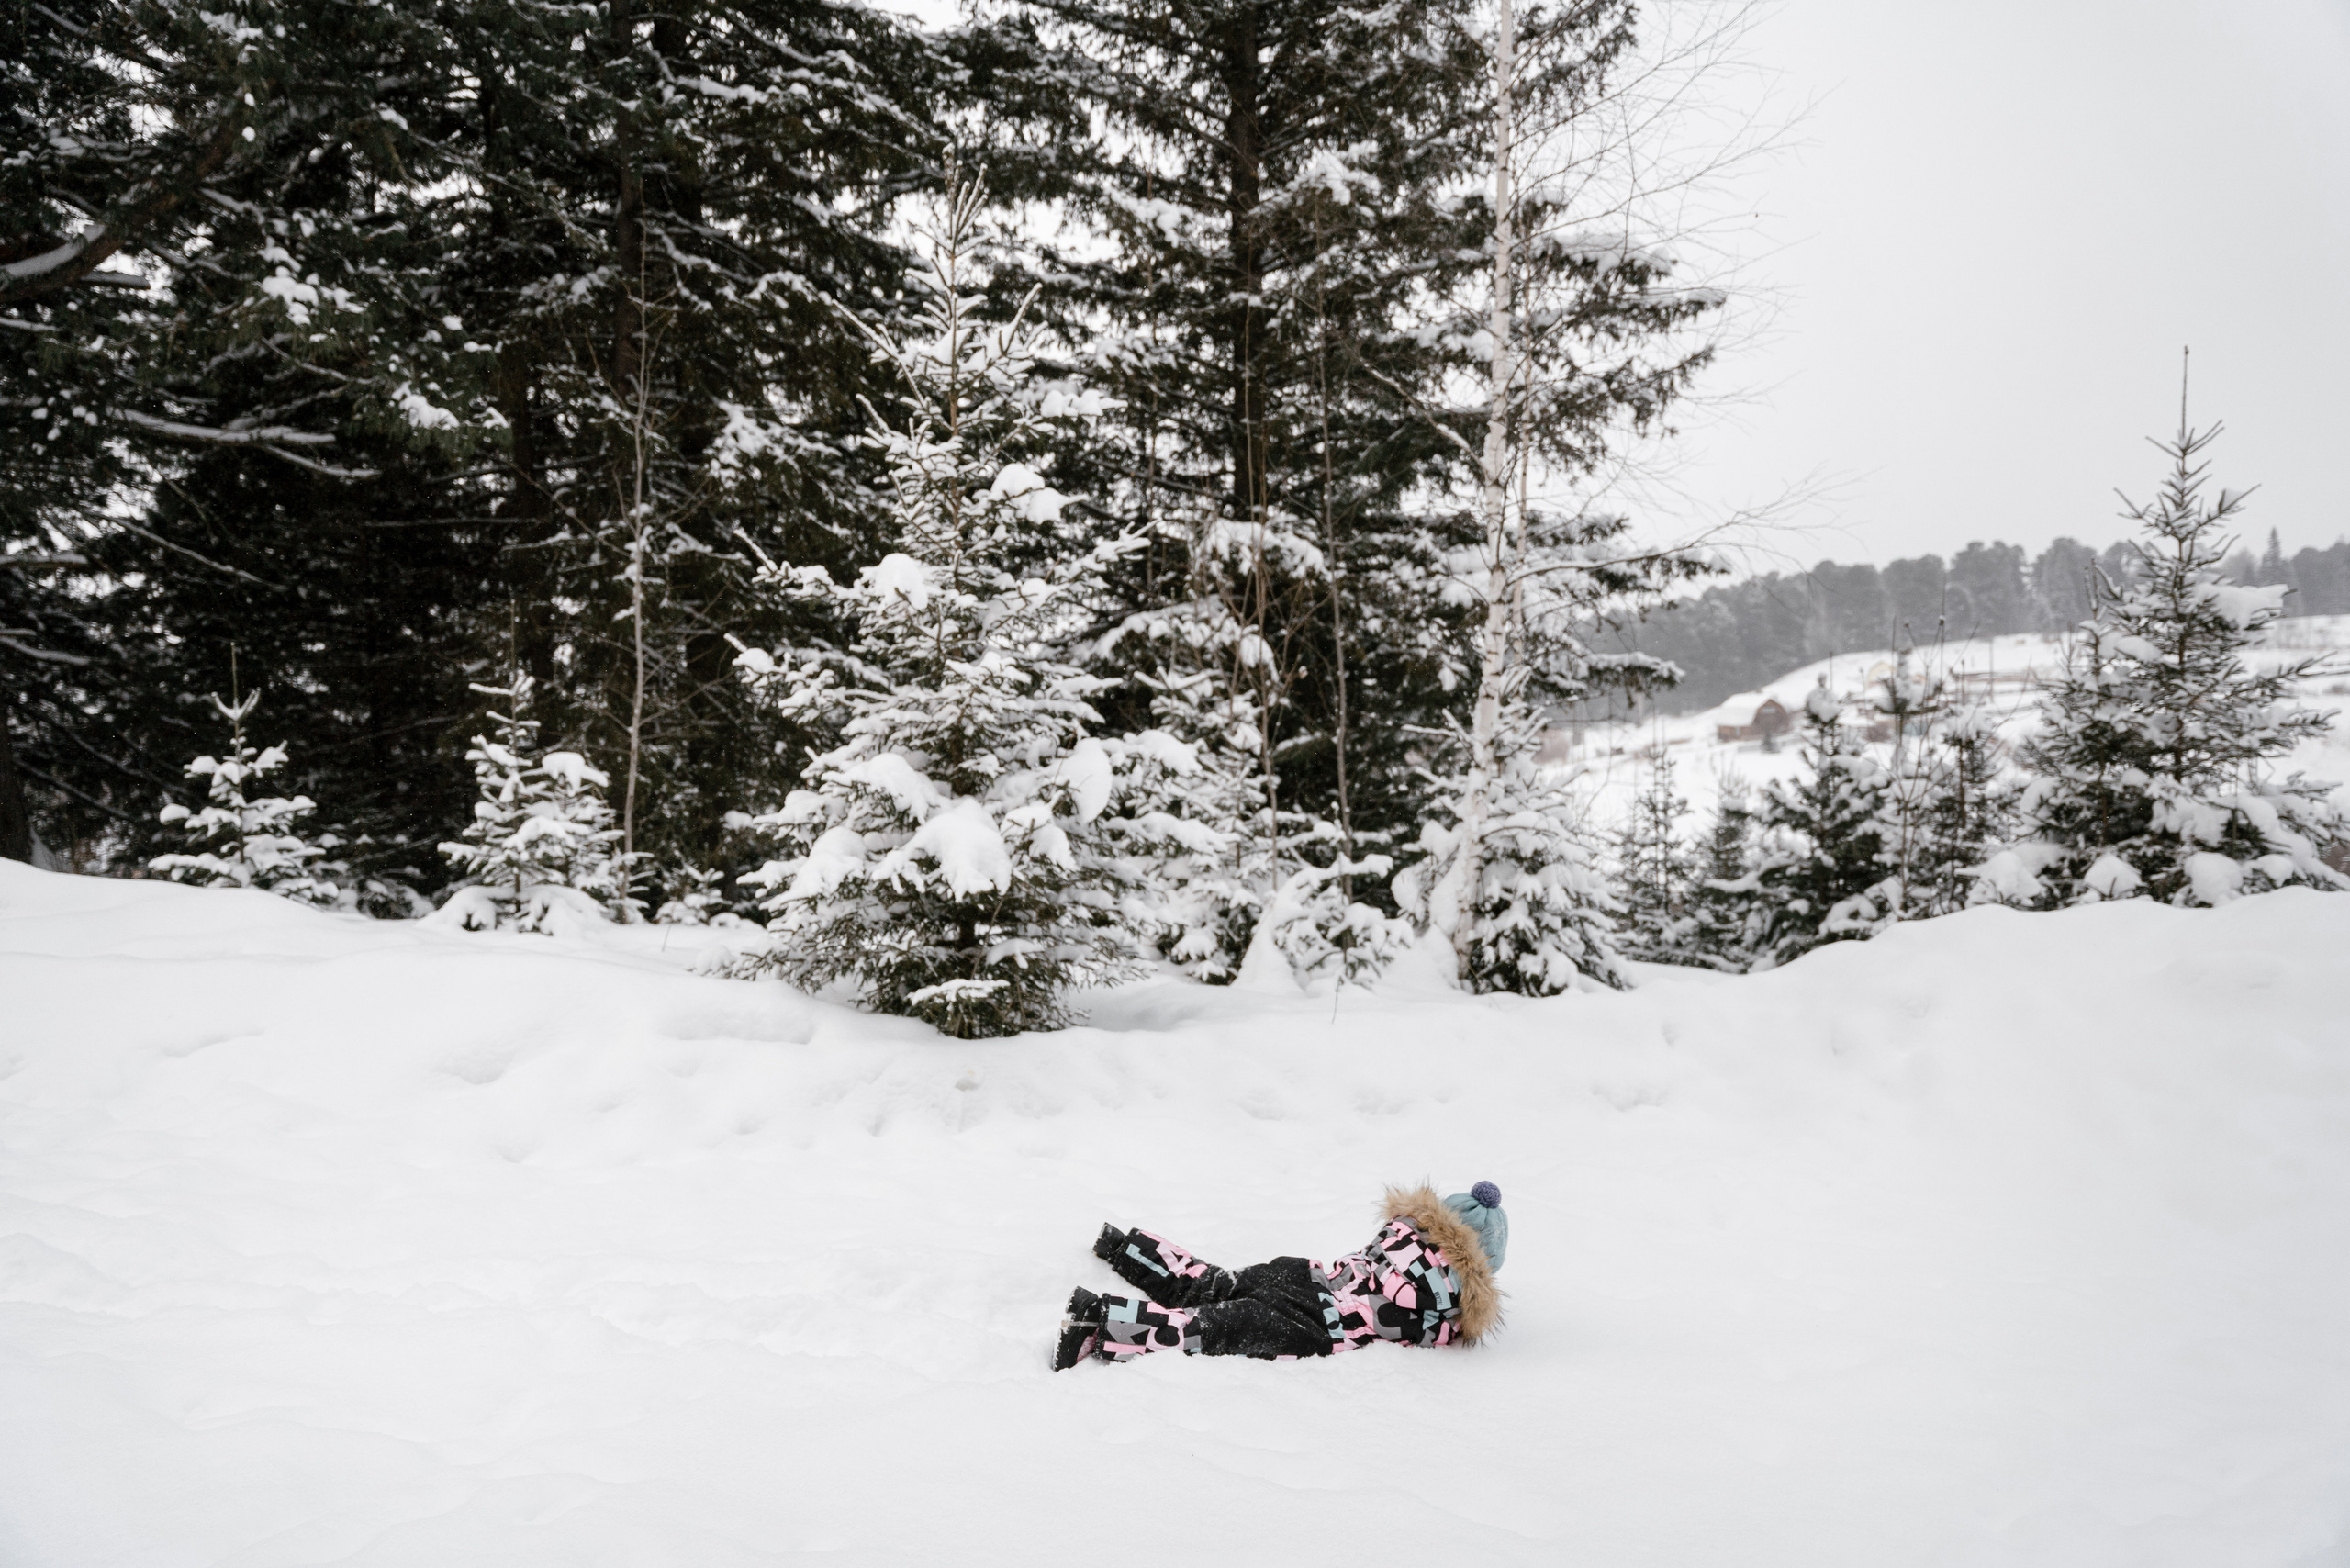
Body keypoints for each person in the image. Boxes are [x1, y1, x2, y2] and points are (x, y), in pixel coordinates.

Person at [1052, 1182, 1506, 1369]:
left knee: (1207, 1283)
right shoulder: (1443, 1299)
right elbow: (1402, 1322)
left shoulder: (1396, 1235)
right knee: (1207, 1330)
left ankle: (1127, 1248)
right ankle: (1096, 1322)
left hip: (1301, 1275)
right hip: (1317, 1324)